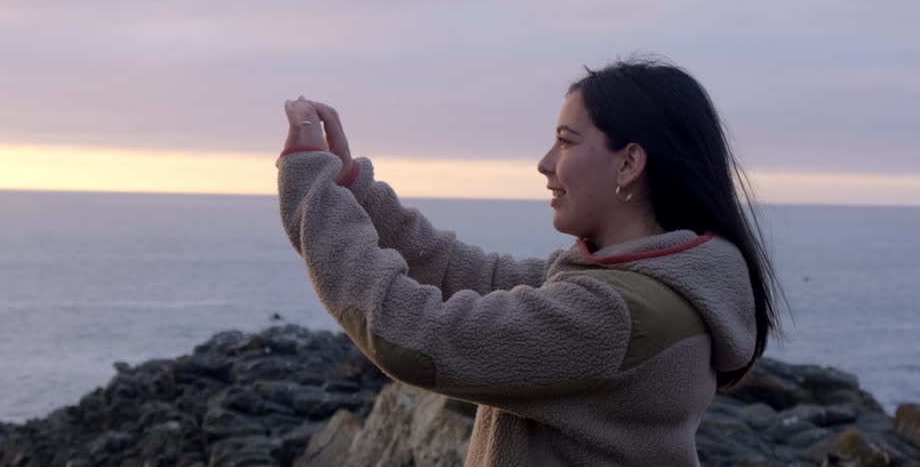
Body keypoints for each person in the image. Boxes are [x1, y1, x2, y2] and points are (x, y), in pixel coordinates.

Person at [275, 58, 782, 467]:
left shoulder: (618, 314)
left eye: (565, 142)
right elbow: (470, 277)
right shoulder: (648, 282)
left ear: (629, 163)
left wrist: (311, 192)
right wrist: (350, 190)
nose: (544, 163)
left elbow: (416, 336)